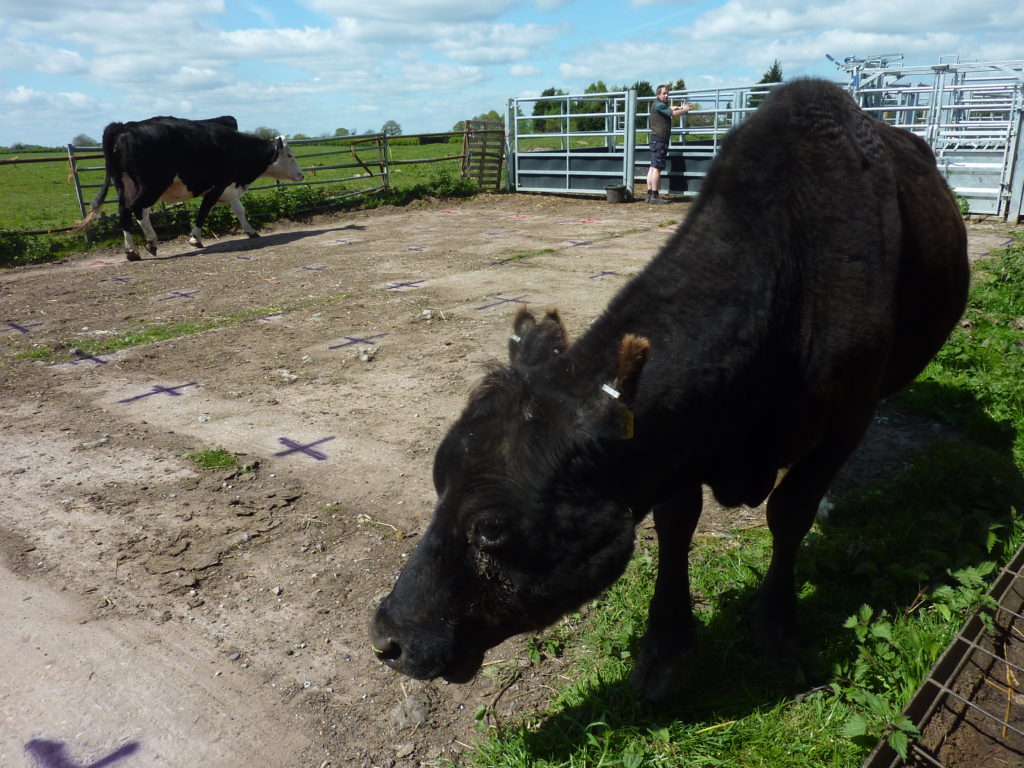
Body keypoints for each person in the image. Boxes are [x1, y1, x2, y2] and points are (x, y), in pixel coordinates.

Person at [646, 84, 692, 204]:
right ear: (658, 94)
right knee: (657, 168)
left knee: (652, 167)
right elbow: (673, 113)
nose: (666, 95)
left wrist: (680, 107)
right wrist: (685, 110)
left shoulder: (657, 104)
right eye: (664, 93)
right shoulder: (659, 105)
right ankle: (655, 196)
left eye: (667, 93)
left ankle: (649, 194)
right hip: (660, 139)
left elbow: (670, 108)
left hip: (656, 139)